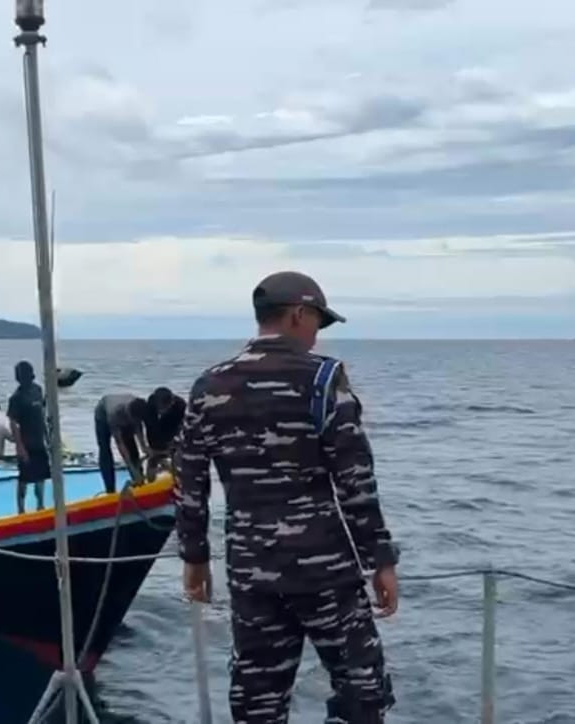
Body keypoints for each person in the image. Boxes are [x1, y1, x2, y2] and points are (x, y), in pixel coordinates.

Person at [174, 271, 400, 724]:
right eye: (317, 321)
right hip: (325, 569)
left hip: (250, 568)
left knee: (258, 696)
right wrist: (381, 560)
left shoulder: (208, 386)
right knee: (362, 687)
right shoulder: (322, 380)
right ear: (299, 314)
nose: (317, 335)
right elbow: (355, 481)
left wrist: (195, 558)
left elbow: (189, 480)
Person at [7, 361, 50, 514]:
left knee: (41, 476)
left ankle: (40, 505)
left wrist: (48, 437)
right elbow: (13, 423)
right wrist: (20, 447)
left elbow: (42, 415)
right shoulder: (16, 398)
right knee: (24, 478)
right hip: (26, 442)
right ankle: (21, 509)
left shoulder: (38, 390)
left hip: (39, 441)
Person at [93, 393, 150, 494]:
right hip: (103, 416)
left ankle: (140, 482)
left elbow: (139, 430)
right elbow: (120, 445)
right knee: (105, 450)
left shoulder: (140, 408)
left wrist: (145, 448)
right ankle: (110, 490)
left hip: (127, 410)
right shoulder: (114, 414)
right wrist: (131, 468)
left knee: (131, 445)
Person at [143, 386, 186, 480]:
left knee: (175, 453)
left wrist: (176, 441)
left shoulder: (180, 405)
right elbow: (150, 428)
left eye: (164, 408)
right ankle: (151, 479)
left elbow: (182, 425)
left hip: (172, 424)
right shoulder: (150, 403)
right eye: (160, 408)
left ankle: (177, 478)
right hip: (156, 428)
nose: (162, 411)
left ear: (171, 402)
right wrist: (149, 448)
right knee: (154, 456)